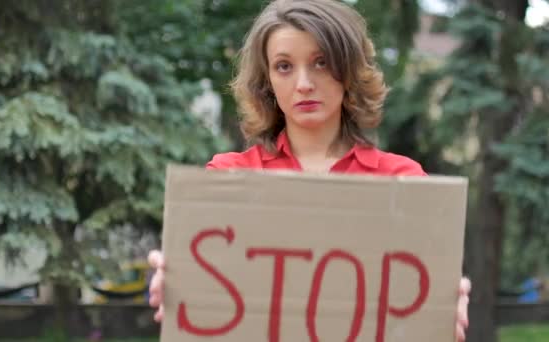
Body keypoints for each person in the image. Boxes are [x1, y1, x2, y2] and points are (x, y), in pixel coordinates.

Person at [148, 0, 471, 340]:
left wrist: (444, 305)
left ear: (349, 70)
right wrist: (172, 279)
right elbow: (205, 295)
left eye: (321, 62)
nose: (303, 83)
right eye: (284, 66)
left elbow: (416, 301)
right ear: (267, 81)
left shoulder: (404, 180)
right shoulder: (228, 177)